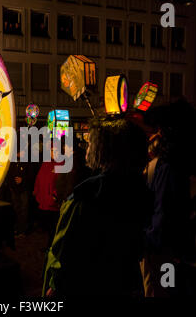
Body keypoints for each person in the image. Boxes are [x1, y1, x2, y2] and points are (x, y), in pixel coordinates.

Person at [43, 118, 151, 299]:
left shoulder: (87, 195)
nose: (87, 145)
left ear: (105, 149)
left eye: (90, 141)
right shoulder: (139, 187)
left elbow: (65, 252)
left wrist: (55, 287)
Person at [141, 99, 196, 297]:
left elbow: (162, 213)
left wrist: (147, 241)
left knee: (160, 291)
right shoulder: (187, 163)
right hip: (177, 250)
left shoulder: (167, 168)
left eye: (161, 129)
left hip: (163, 251)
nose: (156, 134)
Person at [33, 138, 63, 246]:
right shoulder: (46, 163)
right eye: (51, 150)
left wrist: (54, 197)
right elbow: (39, 178)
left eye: (55, 150)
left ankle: (53, 246)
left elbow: (61, 184)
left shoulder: (62, 164)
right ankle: (49, 244)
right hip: (43, 202)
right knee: (47, 227)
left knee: (54, 227)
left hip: (53, 204)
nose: (52, 153)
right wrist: (36, 191)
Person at [7, 149, 34, 235]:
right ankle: (17, 227)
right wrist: (11, 186)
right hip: (14, 190)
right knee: (16, 209)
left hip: (24, 190)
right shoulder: (12, 162)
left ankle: (23, 229)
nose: (20, 153)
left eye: (22, 151)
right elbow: (9, 174)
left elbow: (31, 176)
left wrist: (22, 180)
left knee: (24, 209)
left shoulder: (27, 162)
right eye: (19, 151)